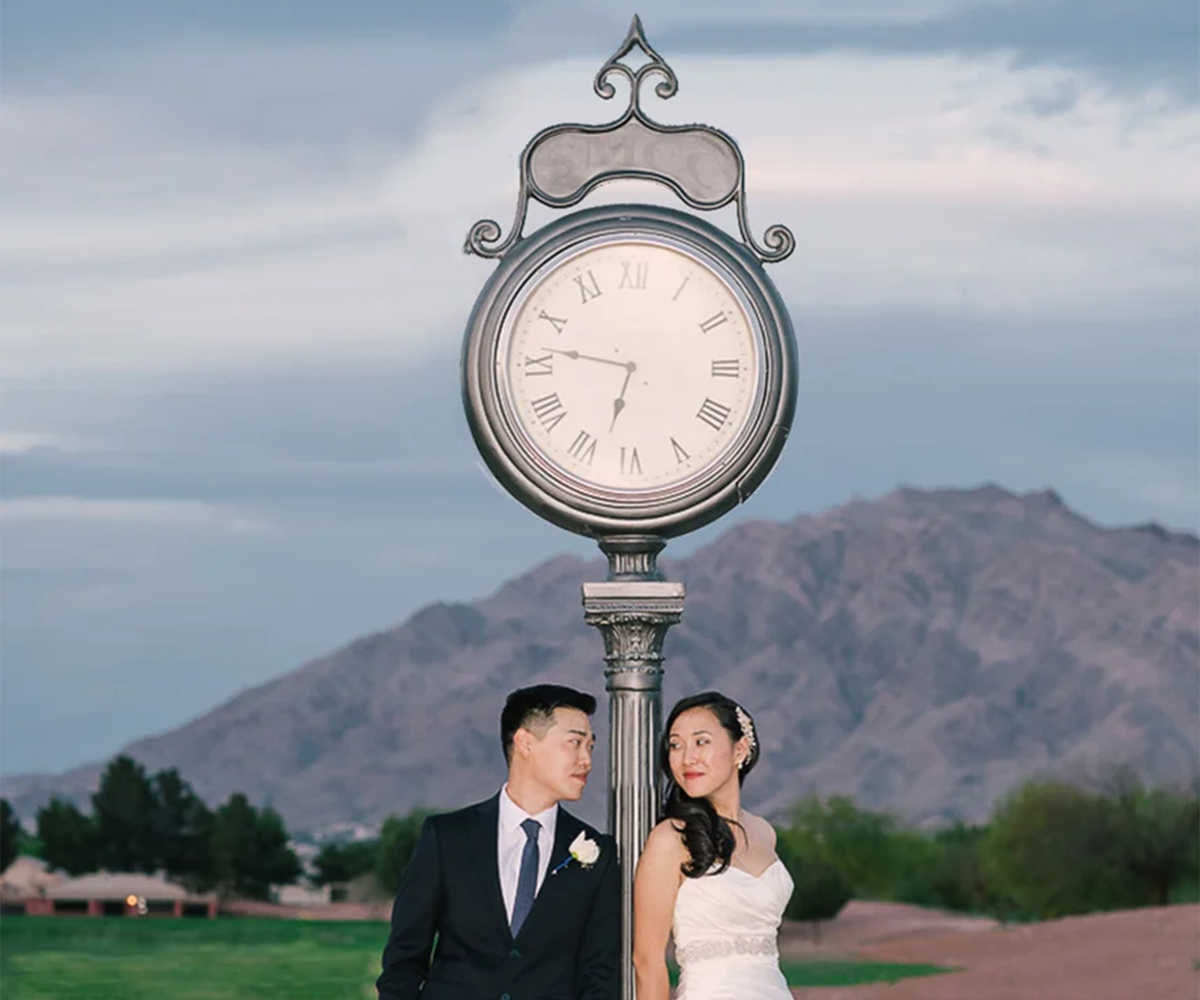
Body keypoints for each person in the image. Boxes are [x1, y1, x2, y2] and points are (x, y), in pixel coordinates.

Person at [376, 683, 621, 1000]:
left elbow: (600, 976)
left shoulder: (597, 854)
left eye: (590, 747)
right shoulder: (446, 837)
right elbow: (403, 961)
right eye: (575, 743)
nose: (586, 759)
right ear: (525, 743)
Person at [632, 692, 794, 1000]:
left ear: (739, 749)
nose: (686, 757)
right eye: (675, 745)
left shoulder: (764, 831)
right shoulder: (671, 839)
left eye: (701, 741)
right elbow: (647, 961)